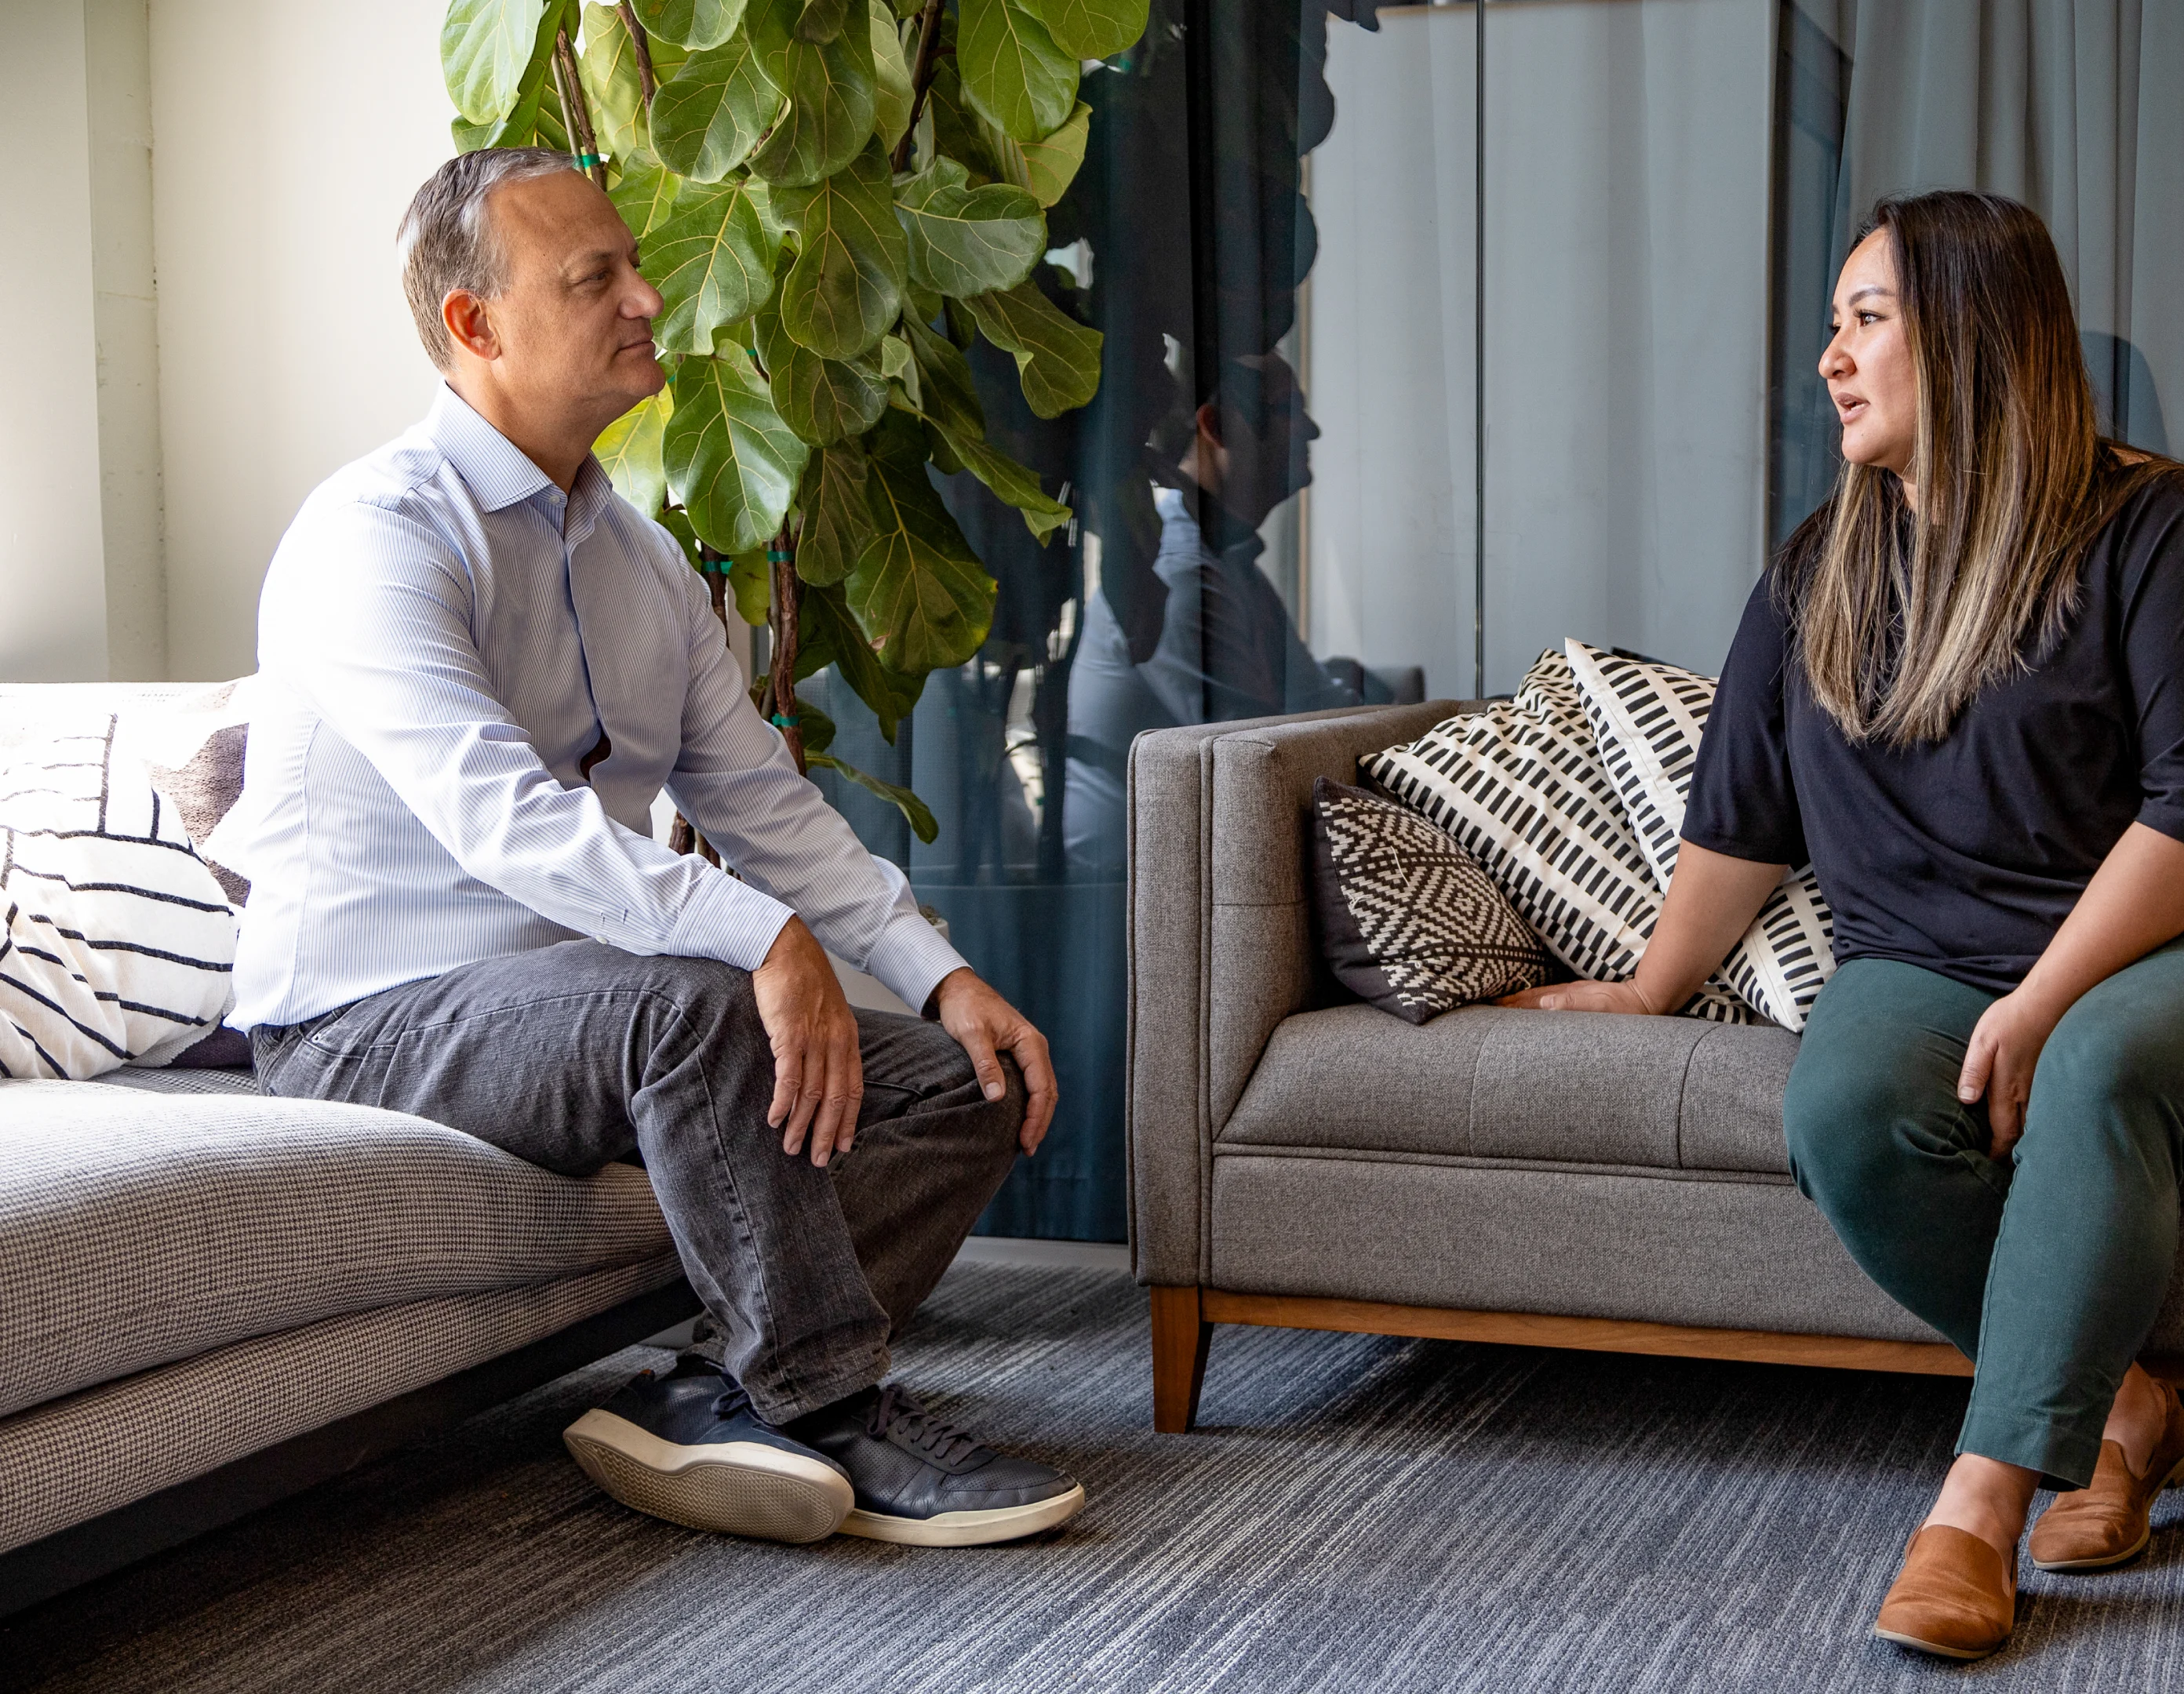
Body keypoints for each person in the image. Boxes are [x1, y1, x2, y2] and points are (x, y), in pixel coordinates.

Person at [1502, 190, 2184, 1659]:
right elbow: (1741, 821)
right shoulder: (1813, 567)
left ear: (1967, 334)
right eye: (1831, 326)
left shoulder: (2156, 528)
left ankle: (1972, 1509)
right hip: (1928, 964)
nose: (1827, 360)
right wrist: (1650, 987)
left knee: (2094, 1071)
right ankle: (2124, 1416)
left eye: (1864, 321)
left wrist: (2036, 1007)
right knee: (1840, 1112)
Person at [228, 147, 1084, 1549]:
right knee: (694, 1003)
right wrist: (756, 937)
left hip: (580, 1009)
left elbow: (765, 804)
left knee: (963, 1083)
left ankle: (712, 1387)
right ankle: (821, 1405)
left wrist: (937, 979)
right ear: (474, 324)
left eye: (634, 264)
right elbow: (500, 816)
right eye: (593, 279)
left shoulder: (642, 562)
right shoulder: (373, 537)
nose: (646, 296)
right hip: (364, 1020)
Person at [1062, 352, 1363, 876]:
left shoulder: (1223, 560)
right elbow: (1255, 758)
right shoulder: (1177, 569)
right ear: (1216, 426)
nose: (1312, 430)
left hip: (1191, 854)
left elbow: (1316, 707)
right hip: (1131, 885)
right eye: (1291, 408)